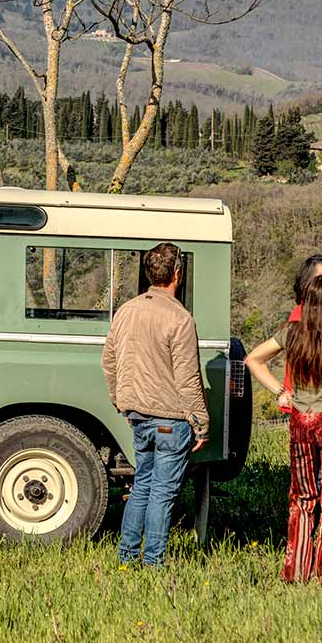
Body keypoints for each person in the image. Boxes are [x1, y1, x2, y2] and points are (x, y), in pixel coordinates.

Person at [244, 271, 322, 584]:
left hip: (301, 421)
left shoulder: (291, 332)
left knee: (301, 498)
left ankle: (296, 571)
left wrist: (280, 392)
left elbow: (253, 360)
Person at [102, 241, 208, 567]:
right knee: (163, 493)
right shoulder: (180, 319)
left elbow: (109, 361)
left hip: (138, 415)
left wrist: (120, 401)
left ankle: (127, 556)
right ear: (177, 273)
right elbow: (189, 379)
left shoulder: (126, 311)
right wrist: (201, 424)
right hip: (170, 418)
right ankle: (153, 563)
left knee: (141, 487)